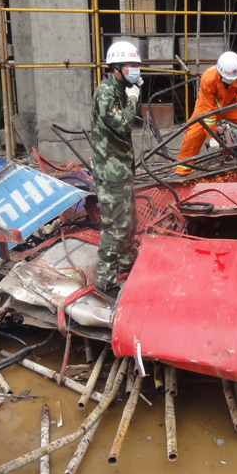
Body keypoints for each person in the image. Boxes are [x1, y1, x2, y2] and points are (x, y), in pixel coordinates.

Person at [91, 40, 143, 298]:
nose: (136, 70)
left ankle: (128, 263)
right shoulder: (106, 93)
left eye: (137, 65)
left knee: (129, 220)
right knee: (115, 227)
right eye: (132, 65)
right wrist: (133, 101)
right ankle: (105, 283)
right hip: (111, 172)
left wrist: (132, 93)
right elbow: (122, 124)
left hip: (121, 168)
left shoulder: (120, 88)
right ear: (117, 67)